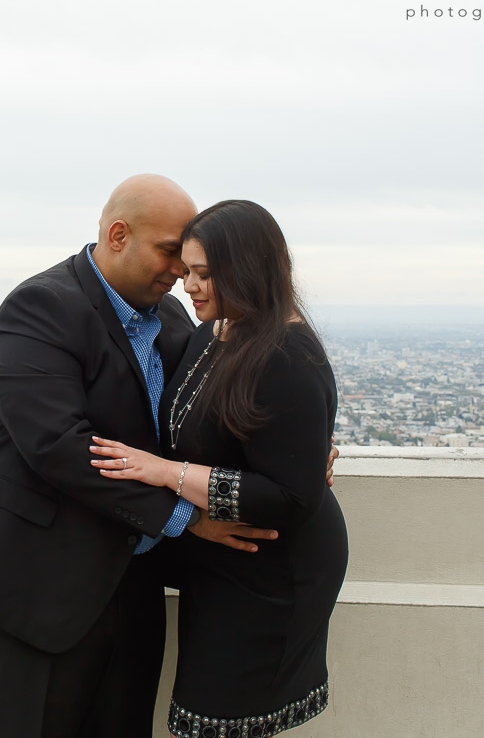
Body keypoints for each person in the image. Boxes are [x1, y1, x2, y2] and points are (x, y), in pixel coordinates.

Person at [0, 175, 284, 738]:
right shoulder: (40, 307)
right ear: (119, 235)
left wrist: (294, 445)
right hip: (34, 582)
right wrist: (190, 517)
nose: (182, 272)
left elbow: (207, 414)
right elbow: (58, 447)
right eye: (171, 252)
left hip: (130, 577)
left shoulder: (170, 318)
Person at [90, 200, 348, 738]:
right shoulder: (216, 332)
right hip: (219, 560)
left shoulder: (288, 356)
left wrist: (164, 473)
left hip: (272, 569)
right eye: (189, 272)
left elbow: (291, 497)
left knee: (221, 719)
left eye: (206, 275)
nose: (190, 286)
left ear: (249, 269)